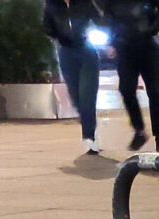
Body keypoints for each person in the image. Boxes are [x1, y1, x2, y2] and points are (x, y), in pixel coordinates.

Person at [104, 0, 159, 152]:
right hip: (125, 49)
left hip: (148, 47)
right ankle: (139, 130)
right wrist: (111, 42)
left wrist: (152, 28)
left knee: (154, 92)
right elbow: (109, 19)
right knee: (126, 90)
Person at [44, 0, 102, 154]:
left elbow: (100, 20)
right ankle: (89, 122)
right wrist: (59, 35)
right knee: (75, 96)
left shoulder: (85, 3)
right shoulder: (51, 6)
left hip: (86, 51)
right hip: (66, 52)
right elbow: (47, 28)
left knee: (87, 95)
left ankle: (89, 136)